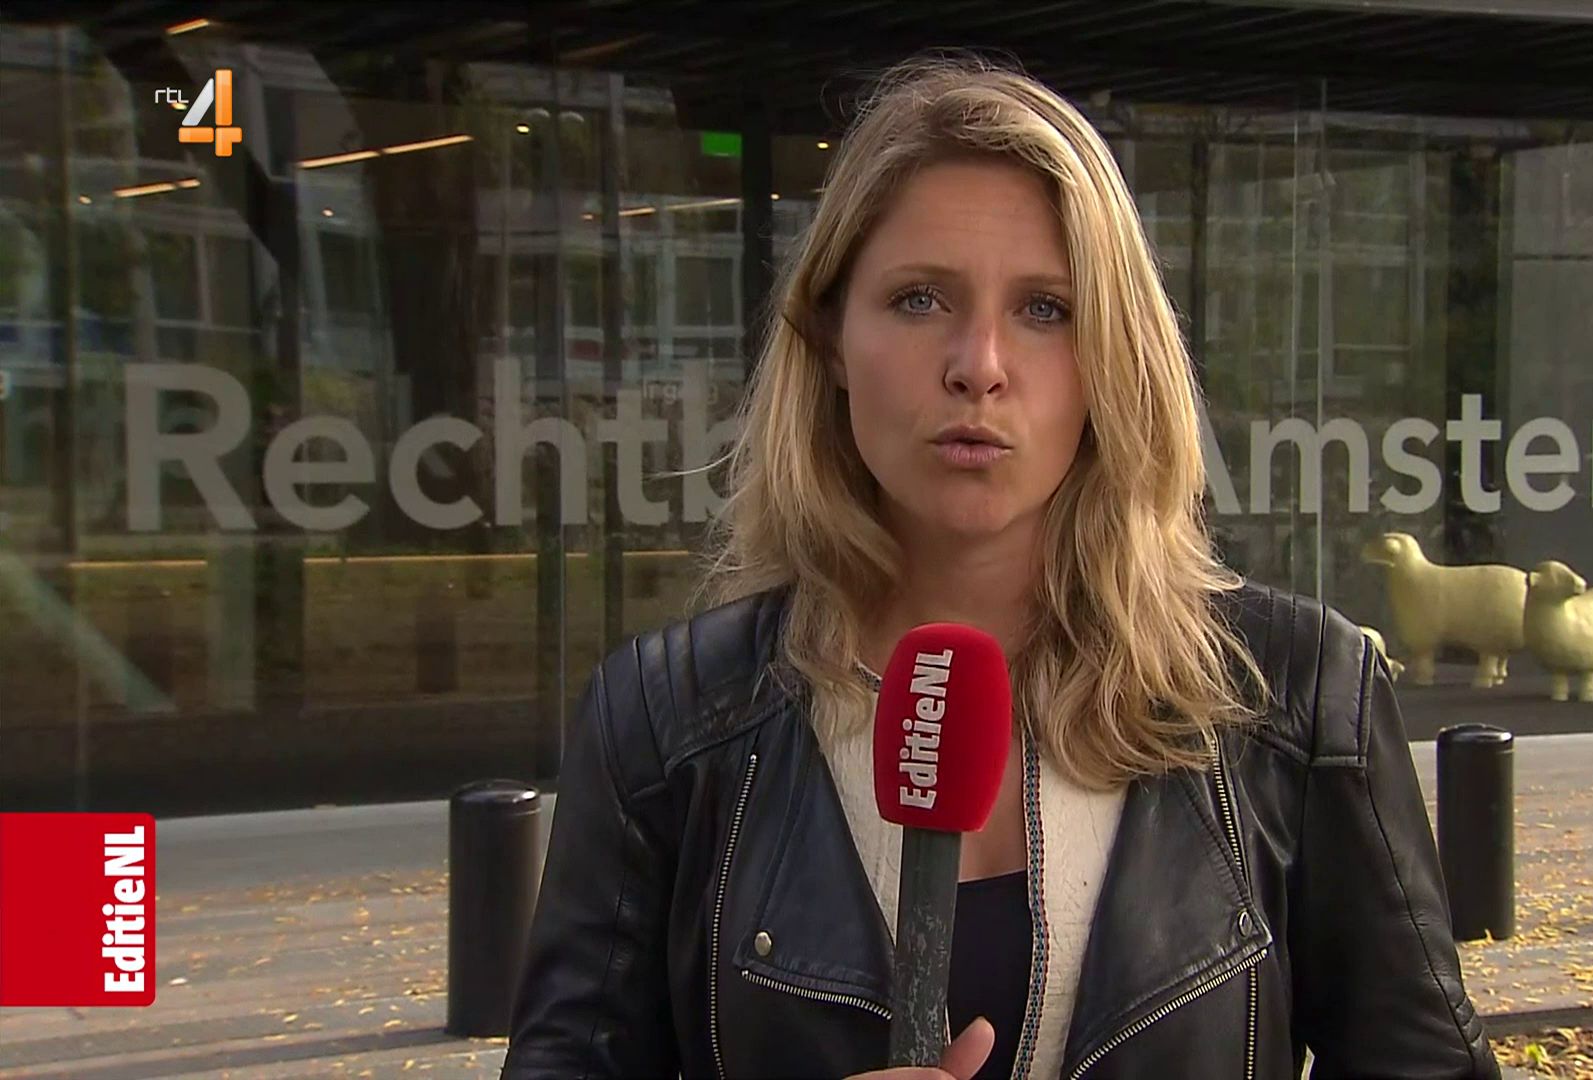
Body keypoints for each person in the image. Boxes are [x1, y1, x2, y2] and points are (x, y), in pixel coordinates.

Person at [501, 54, 1500, 1080]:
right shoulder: (664, 724)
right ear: (831, 337)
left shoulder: (1295, 694)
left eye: (1045, 310)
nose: (978, 365)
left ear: (1114, 353)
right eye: (919, 298)